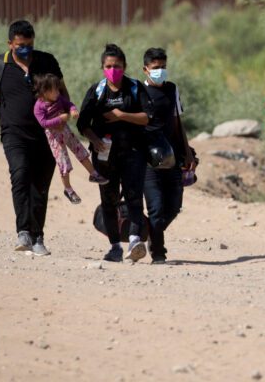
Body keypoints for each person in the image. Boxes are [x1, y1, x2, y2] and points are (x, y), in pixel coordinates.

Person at [0, 20, 64, 256]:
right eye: (20, 45)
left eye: (29, 44)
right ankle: (23, 231)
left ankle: (38, 236)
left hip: (47, 134)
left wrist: (65, 116)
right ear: (10, 44)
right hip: (14, 133)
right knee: (20, 173)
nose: (25, 49)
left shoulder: (47, 62)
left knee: (40, 186)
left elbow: (62, 92)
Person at [77, 44, 149, 263]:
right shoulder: (97, 91)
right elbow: (82, 123)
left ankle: (135, 241)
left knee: (134, 197)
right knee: (109, 200)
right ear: (102, 67)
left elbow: (147, 117)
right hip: (105, 156)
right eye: (108, 66)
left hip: (133, 153)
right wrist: (95, 139)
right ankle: (115, 246)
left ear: (124, 66)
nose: (113, 70)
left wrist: (121, 115)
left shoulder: (135, 88)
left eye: (117, 66)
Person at [140, 47, 196, 263]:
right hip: (148, 161)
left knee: (173, 206)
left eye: (163, 67)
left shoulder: (172, 89)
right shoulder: (137, 92)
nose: (160, 71)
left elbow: (177, 122)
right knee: (155, 207)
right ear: (145, 69)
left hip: (172, 157)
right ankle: (159, 253)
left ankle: (150, 234)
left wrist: (187, 152)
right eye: (156, 67)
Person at [32, 73, 109, 204]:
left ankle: (94, 174)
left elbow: (68, 104)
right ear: (45, 91)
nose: (58, 92)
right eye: (55, 90)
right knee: (63, 163)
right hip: (55, 138)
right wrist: (59, 119)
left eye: (58, 89)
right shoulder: (38, 107)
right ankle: (68, 189)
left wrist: (73, 110)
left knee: (81, 151)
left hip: (66, 131)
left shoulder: (58, 99)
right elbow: (43, 123)